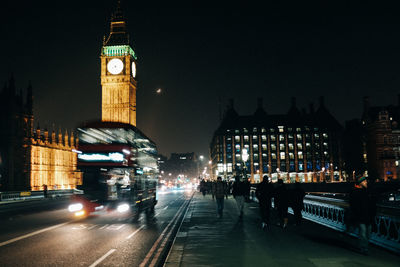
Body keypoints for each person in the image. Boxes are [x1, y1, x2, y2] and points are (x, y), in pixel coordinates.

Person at [349, 176, 377, 255]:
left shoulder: (367, 191)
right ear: (360, 183)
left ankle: (365, 247)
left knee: (368, 234)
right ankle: (363, 248)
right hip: (361, 217)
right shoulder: (355, 192)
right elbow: (353, 205)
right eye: (364, 181)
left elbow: (372, 203)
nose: (366, 182)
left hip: (368, 217)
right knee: (363, 233)